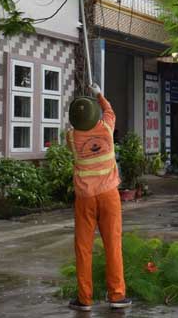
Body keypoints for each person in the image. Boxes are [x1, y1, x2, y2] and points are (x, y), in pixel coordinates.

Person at [66, 84, 131, 312]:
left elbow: (78, 124)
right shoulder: (106, 129)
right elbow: (109, 111)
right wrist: (99, 94)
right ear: (95, 115)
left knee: (83, 248)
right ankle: (117, 295)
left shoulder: (72, 137)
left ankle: (84, 299)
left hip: (85, 198)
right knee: (113, 243)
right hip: (109, 195)